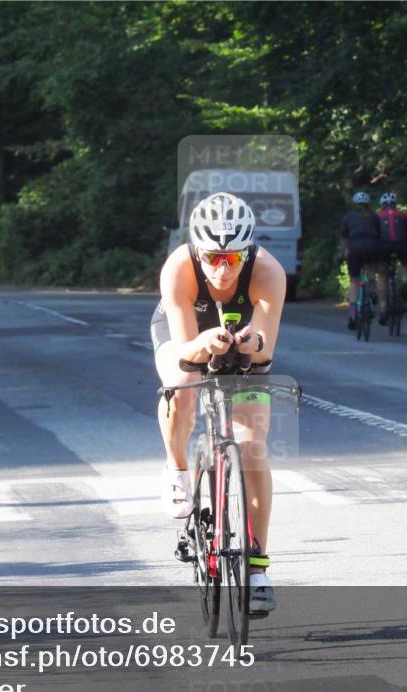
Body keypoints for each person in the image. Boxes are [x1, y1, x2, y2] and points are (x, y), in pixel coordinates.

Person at [150, 192, 286, 613]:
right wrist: (203, 344)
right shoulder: (179, 268)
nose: (221, 268)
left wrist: (252, 341)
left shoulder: (268, 271)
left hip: (242, 338)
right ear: (197, 249)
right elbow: (185, 348)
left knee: (252, 445)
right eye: (212, 257)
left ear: (247, 252)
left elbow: (265, 350)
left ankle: (257, 568)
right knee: (183, 379)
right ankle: (177, 469)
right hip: (188, 333)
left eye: (232, 259)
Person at [340, 192, 381, 330]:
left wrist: (341, 254)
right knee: (370, 270)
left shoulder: (348, 217)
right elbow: (379, 235)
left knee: (354, 280)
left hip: (354, 248)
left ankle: (352, 315)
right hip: (372, 247)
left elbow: (344, 238)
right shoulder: (375, 216)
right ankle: (372, 292)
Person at [375, 191, 407, 324]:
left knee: (382, 275)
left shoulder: (377, 216)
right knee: (406, 263)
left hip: (383, 247)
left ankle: (383, 309)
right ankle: (405, 282)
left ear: (382, 205)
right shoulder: (404, 216)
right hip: (401, 245)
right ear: (395, 204)